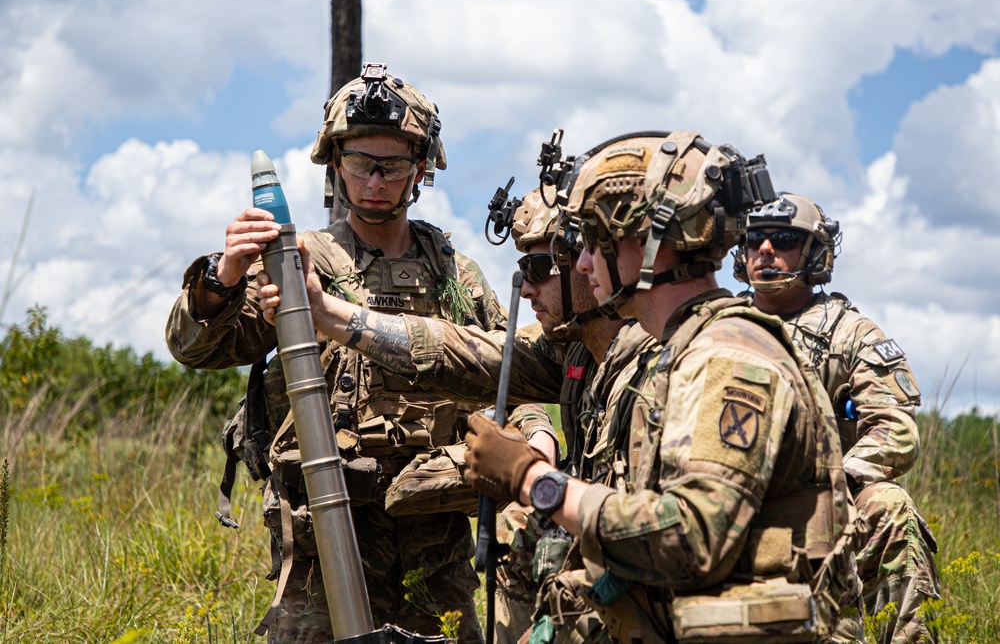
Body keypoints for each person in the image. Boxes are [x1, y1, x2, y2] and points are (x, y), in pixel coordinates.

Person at [462, 131, 864, 644]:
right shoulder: (682, 350)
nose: (582, 263)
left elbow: (691, 535)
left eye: (596, 241)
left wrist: (533, 480)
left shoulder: (727, 357)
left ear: (652, 245)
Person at [165, 63, 504, 644]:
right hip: (325, 538)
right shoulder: (299, 261)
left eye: (391, 165)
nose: (373, 180)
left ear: (419, 169)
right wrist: (222, 278)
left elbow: (507, 375)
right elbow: (194, 348)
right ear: (334, 167)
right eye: (357, 163)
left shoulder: (456, 275)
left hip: (435, 540)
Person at [256, 184, 656, 643]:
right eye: (523, 268)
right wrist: (325, 310)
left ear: (595, 260)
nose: (526, 287)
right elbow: (459, 350)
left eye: (542, 267)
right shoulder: (573, 353)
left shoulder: (657, 363)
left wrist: (533, 478)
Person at [734, 193, 940, 644]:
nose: (766, 250)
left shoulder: (849, 334)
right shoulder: (719, 324)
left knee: (888, 505)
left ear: (815, 254)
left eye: (784, 239)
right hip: (726, 500)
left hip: (825, 505)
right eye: (755, 239)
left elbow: (895, 428)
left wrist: (836, 483)